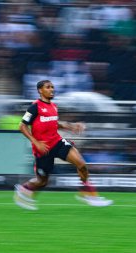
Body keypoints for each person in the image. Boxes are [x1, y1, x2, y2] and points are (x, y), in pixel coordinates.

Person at [14, 80, 113, 210]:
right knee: (42, 181)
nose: (51, 89)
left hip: (57, 141)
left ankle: (88, 193)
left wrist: (70, 126)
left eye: (52, 87)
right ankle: (23, 189)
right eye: (48, 87)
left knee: (81, 164)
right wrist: (36, 142)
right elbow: (22, 126)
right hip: (43, 148)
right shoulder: (34, 107)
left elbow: (53, 123)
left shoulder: (54, 106)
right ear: (40, 91)